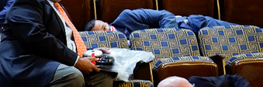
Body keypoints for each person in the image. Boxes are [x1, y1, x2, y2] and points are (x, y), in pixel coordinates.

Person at [0, 0, 113, 87]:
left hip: (51, 65)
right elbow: (35, 37)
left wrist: (88, 53)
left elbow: (64, 44)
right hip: (24, 67)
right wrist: (76, 61)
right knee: (71, 76)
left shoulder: (57, 8)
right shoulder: (27, 2)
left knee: (102, 76)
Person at [85, 9, 239, 37]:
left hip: (193, 26)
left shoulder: (127, 17)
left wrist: (169, 37)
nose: (108, 32)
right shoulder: (117, 49)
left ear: (107, 22)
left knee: (255, 35)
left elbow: (165, 15)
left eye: (105, 27)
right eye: (104, 34)